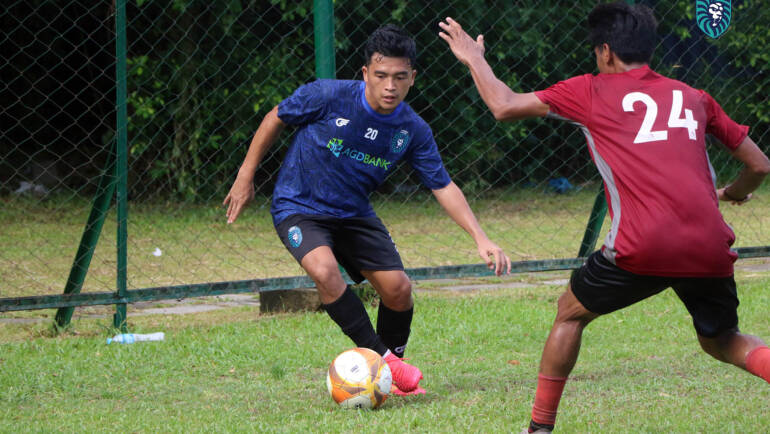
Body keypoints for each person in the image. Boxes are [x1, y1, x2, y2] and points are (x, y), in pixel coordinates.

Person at [439, 2, 770, 431]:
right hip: (708, 244)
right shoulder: (694, 96)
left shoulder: (591, 90)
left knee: (570, 314)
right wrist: (732, 193)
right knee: (723, 340)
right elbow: (760, 165)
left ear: (606, 51)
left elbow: (503, 105)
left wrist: (475, 59)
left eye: (596, 50)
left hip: (642, 245)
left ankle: (539, 428)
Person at [224, 24, 511, 396]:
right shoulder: (327, 95)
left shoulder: (412, 129)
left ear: (412, 79)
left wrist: (481, 237)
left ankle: (390, 369)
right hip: (300, 206)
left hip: (354, 213)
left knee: (398, 290)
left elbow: (442, 185)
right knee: (325, 271)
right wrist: (245, 176)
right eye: (381, 76)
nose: (389, 85)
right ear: (365, 74)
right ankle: (389, 365)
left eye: (399, 77)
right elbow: (274, 117)